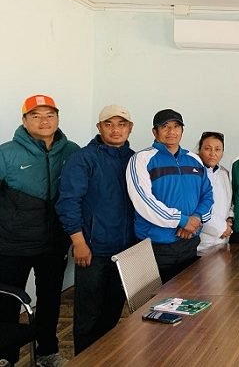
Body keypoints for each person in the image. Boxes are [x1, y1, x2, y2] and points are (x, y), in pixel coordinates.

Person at [0, 94, 79, 367]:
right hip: (12, 246)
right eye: (36, 116)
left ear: (57, 118)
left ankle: (47, 352)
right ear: (24, 120)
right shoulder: (6, 153)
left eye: (49, 115)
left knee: (50, 302)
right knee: (7, 304)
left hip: (53, 245)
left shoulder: (71, 151)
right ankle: (6, 358)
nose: (44, 121)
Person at [55, 105, 136, 355]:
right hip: (93, 250)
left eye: (121, 124)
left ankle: (105, 359)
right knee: (88, 316)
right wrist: (79, 242)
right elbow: (68, 201)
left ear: (130, 128)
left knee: (112, 313)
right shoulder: (84, 158)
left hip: (125, 251)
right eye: (108, 124)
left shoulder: (135, 159)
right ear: (99, 127)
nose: (115, 129)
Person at [126, 109, 213, 282]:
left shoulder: (194, 160)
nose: (171, 131)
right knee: (157, 297)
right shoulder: (141, 159)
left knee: (189, 295)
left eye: (176, 126)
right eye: (165, 126)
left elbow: (208, 195)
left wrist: (195, 219)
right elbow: (144, 201)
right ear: (155, 131)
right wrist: (182, 220)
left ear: (182, 130)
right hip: (157, 246)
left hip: (189, 242)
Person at [196, 131, 233, 253]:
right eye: (207, 149)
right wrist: (220, 228)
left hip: (223, 241)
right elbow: (195, 207)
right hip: (200, 242)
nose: (213, 153)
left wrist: (229, 219)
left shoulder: (224, 173)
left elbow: (229, 202)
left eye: (217, 149)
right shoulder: (193, 173)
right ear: (200, 150)